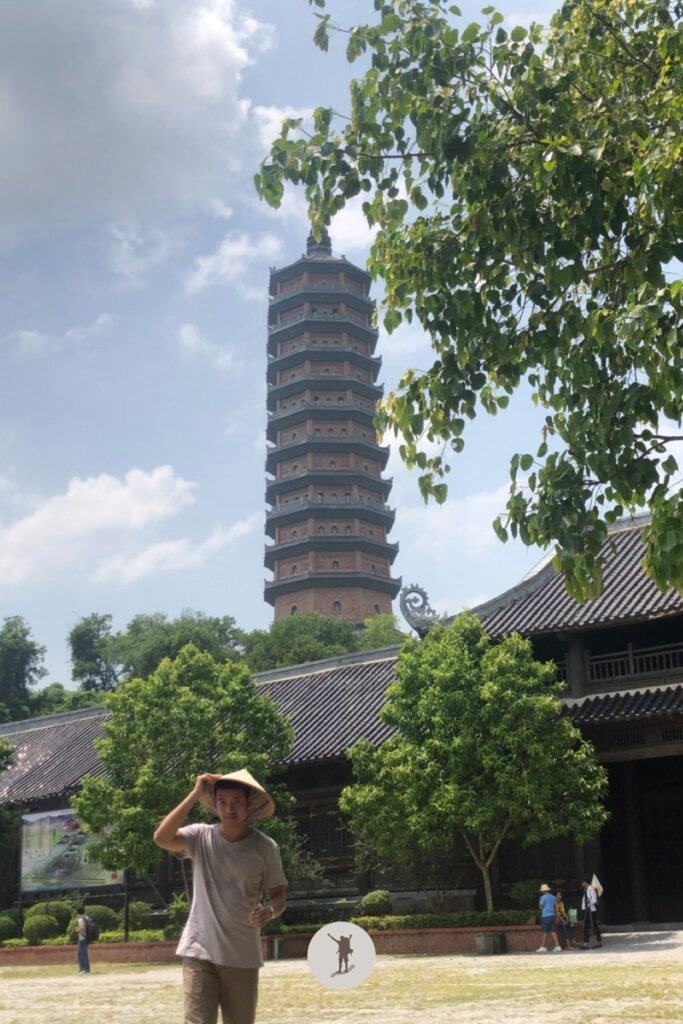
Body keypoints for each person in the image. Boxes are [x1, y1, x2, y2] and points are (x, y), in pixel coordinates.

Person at [153, 769, 287, 1024]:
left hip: (242, 955)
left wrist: (269, 911)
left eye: (236, 801)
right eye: (222, 802)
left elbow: (279, 896)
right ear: (215, 805)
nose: (229, 809)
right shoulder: (200, 836)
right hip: (199, 949)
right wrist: (195, 794)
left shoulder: (265, 848)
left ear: (249, 803)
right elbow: (161, 838)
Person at [536, 884, 562, 953]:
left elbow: (540, 907)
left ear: (544, 891)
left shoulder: (542, 897)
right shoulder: (553, 897)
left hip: (545, 916)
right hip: (552, 916)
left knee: (545, 932)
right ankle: (557, 946)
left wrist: (540, 901)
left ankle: (543, 947)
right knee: (553, 931)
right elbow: (555, 908)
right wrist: (557, 917)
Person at [581, 878, 602, 948]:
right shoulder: (585, 890)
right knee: (585, 926)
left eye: (583, 883)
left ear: (585, 882)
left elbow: (594, 900)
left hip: (591, 910)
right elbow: (584, 900)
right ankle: (586, 942)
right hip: (586, 910)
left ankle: (599, 941)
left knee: (594, 925)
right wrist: (583, 908)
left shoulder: (591, 889)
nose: (582, 884)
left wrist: (589, 902)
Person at [76, 907, 90, 974]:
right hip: (87, 937)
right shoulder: (87, 918)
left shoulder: (80, 919)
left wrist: (77, 930)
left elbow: (82, 929)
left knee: (82, 954)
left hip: (82, 938)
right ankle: (82, 968)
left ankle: (85, 969)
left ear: (78, 913)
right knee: (80, 953)